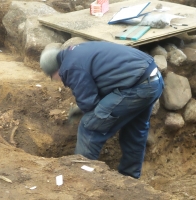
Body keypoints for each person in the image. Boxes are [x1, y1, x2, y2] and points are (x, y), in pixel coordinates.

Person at [39, 41, 164, 179]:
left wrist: (83, 109)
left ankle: (82, 177)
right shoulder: (76, 52)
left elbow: (89, 103)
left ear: (55, 70)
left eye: (53, 78)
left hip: (137, 87)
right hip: (153, 79)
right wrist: (82, 108)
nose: (57, 80)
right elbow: (104, 81)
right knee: (134, 130)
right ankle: (130, 178)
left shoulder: (69, 67)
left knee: (89, 126)